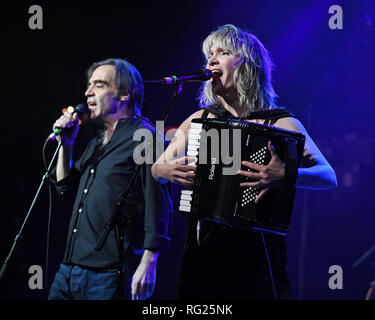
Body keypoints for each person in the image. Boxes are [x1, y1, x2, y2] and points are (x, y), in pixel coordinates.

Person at [151, 25, 337, 299]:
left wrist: (285, 174)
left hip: (257, 251)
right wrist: (164, 169)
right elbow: (157, 169)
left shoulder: (281, 121)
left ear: (249, 65)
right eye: (209, 55)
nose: (211, 60)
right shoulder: (200, 120)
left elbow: (328, 176)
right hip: (203, 248)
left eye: (223, 52)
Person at [48, 58, 173, 300]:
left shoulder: (145, 136)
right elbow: (65, 188)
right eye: (89, 85)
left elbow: (159, 204)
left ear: (125, 93)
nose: (87, 92)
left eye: (99, 85)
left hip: (107, 274)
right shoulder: (98, 141)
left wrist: (149, 261)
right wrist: (67, 145)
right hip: (68, 269)